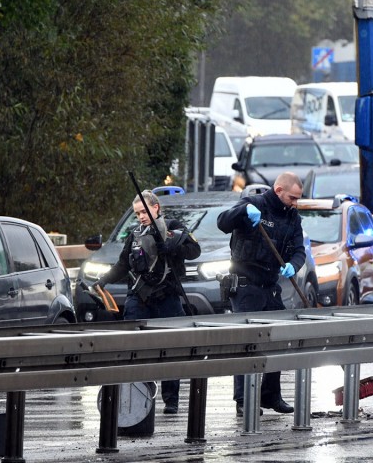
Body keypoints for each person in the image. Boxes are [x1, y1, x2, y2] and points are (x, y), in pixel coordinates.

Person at [95, 189, 201, 414]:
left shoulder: (174, 227)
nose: (141, 216)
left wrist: (171, 246)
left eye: (145, 211)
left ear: (156, 208)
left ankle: (171, 401)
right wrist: (103, 281)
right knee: (134, 346)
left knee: (171, 348)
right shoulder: (135, 234)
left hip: (167, 296)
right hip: (139, 296)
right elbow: (123, 265)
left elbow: (194, 251)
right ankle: (138, 395)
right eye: (137, 213)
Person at [216, 172, 306, 416]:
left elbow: (299, 251)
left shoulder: (292, 216)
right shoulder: (253, 205)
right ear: (278, 191)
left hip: (270, 286)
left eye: (298, 199)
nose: (295, 203)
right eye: (292, 198)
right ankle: (244, 400)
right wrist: (242, 213)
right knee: (247, 343)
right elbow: (222, 222)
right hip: (246, 287)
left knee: (276, 341)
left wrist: (293, 266)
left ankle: (270, 396)